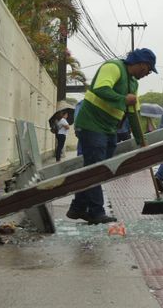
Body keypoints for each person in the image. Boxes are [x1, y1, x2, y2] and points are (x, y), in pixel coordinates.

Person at [66, 48, 157, 224]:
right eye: (148, 69)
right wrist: (123, 99)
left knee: (99, 168)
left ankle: (77, 207)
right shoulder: (113, 67)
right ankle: (96, 211)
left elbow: (133, 113)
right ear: (141, 64)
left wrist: (141, 141)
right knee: (97, 169)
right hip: (91, 125)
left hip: (108, 129)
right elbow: (101, 88)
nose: (147, 74)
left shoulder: (133, 83)